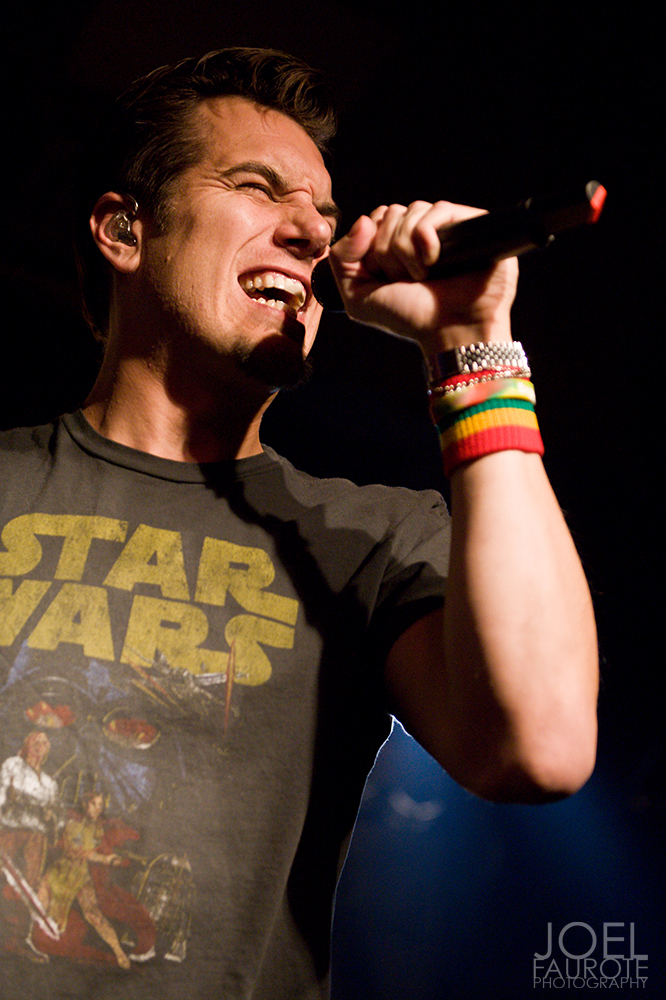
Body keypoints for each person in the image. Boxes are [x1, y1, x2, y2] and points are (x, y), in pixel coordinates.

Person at [0, 47, 598, 998]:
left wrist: (471, 341)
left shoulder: (367, 540)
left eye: (323, 213)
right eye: (257, 188)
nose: (314, 233)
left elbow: (543, 746)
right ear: (123, 229)